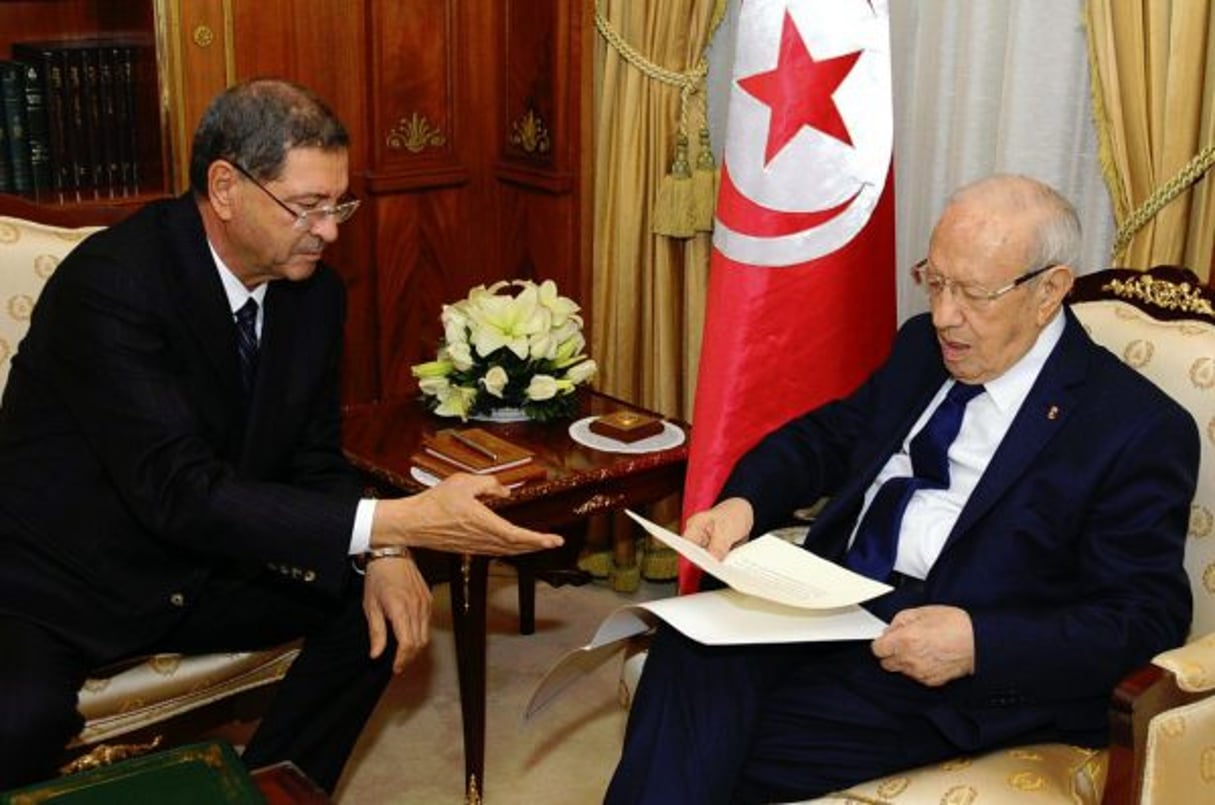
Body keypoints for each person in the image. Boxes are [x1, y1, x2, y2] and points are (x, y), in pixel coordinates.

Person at [0, 78, 562, 793]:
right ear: (226, 186)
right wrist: (395, 518)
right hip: (61, 581)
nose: (329, 230)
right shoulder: (111, 283)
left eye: (339, 205)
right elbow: (179, 491)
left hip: (206, 565)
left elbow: (311, 454)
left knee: (377, 608)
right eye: (307, 206)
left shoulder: (314, 293)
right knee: (17, 721)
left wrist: (386, 549)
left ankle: (259, 788)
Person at [605, 174, 1198, 804]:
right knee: (687, 651)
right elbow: (829, 439)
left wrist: (978, 644)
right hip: (830, 605)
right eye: (935, 281)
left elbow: (1143, 618)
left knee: (719, 747)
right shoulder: (923, 347)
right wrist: (742, 503)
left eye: (972, 293)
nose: (945, 316)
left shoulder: (1135, 428)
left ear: (1050, 290)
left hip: (942, 672)